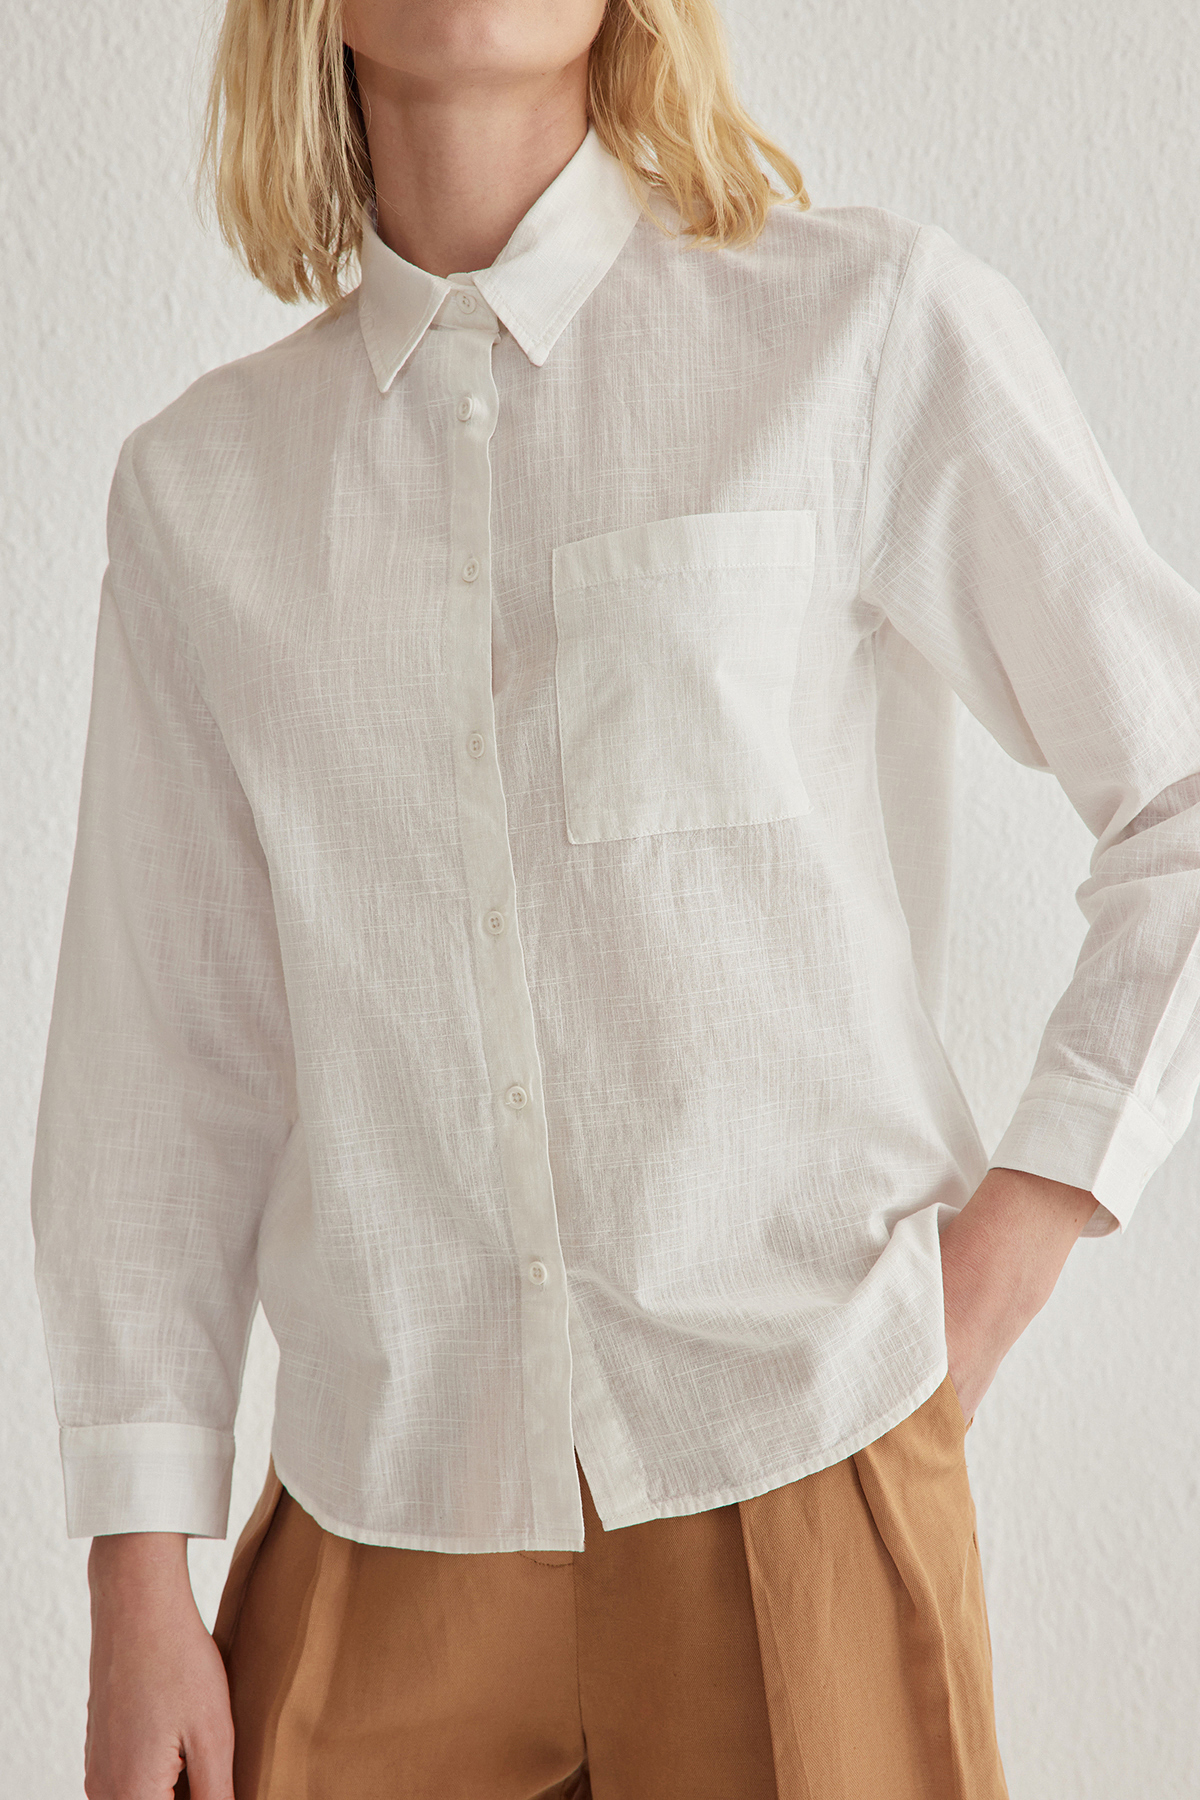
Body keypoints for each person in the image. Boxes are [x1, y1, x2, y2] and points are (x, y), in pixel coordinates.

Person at [30, 0, 1200, 1795]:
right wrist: (136, 1585)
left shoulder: (858, 329)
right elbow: (156, 1069)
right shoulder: (203, 494)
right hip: (381, 1506)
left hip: (798, 1459)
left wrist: (1009, 1254)